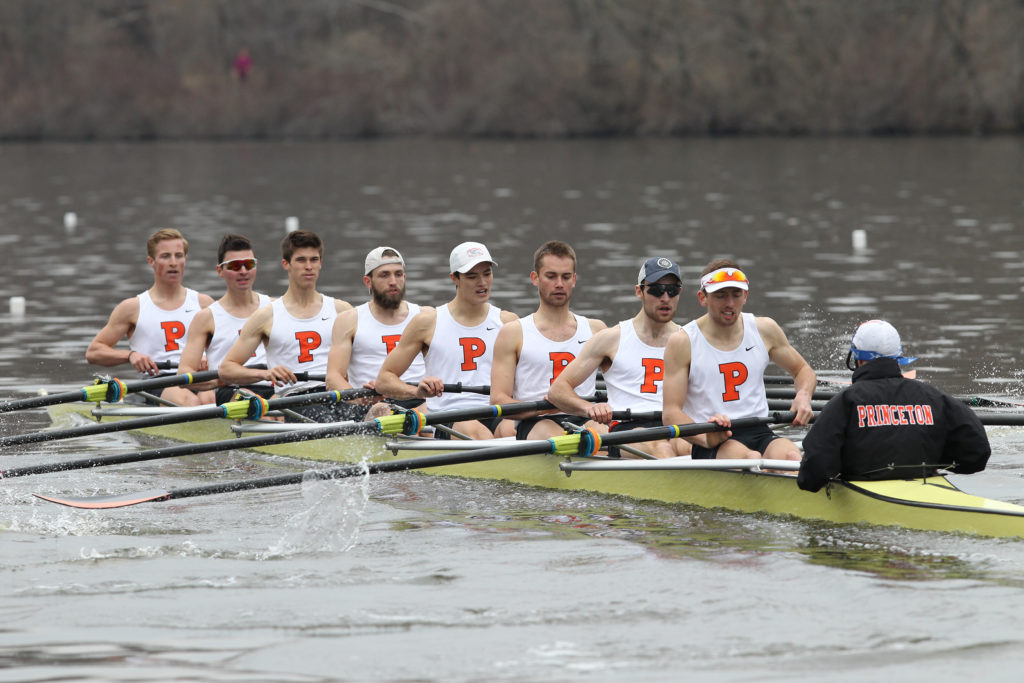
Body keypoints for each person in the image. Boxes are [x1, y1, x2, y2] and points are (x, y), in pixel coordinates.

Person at [798, 320, 990, 491]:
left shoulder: (844, 402)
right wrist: (928, 460)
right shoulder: (935, 397)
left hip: (864, 495)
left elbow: (812, 476)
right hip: (927, 486)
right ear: (898, 358)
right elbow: (977, 454)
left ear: (858, 359)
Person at [661, 259, 815, 461]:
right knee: (750, 460)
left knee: (792, 457)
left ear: (746, 296)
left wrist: (803, 395)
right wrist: (706, 438)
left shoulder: (765, 330)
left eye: (736, 294)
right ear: (702, 298)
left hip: (759, 431)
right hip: (713, 435)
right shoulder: (683, 341)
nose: (730, 304)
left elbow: (802, 370)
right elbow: (671, 413)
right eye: (720, 295)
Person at [548, 257, 690, 458]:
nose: (665, 297)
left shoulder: (691, 339)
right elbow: (557, 391)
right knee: (662, 449)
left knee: (692, 448)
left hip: (678, 426)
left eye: (672, 290)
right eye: (657, 290)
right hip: (628, 429)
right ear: (639, 291)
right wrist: (590, 408)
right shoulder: (611, 339)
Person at [376, 241, 518, 439]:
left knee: (514, 430)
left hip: (495, 413)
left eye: (487, 273)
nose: (482, 283)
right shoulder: (428, 322)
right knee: (476, 432)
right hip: (447, 417)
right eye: (472, 276)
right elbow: (384, 379)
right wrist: (417, 392)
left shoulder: (508, 322)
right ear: (455, 278)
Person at [219, 230, 352, 420]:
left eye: (314, 260)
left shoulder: (341, 310)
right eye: (301, 260)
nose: (308, 267)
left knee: (377, 412)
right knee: (328, 420)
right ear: (286, 264)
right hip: (294, 400)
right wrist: (265, 374)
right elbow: (226, 369)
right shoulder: (267, 316)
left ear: (321, 263)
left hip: (339, 396)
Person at [490, 240, 607, 440]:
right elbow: (498, 401)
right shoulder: (514, 333)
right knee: (556, 435)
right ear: (535, 278)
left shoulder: (597, 330)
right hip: (536, 421)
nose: (559, 284)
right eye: (551, 276)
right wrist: (550, 408)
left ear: (575, 280)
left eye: (566, 277)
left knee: (603, 432)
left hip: (584, 418)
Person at [86, 228, 214, 406]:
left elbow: (230, 347)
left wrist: (210, 358)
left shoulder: (204, 303)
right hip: (157, 382)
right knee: (189, 401)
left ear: (186, 260)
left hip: (199, 378)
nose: (173, 263)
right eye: (165, 256)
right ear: (151, 262)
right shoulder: (133, 307)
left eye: (179, 256)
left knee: (209, 398)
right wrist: (130, 355)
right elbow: (94, 352)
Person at [324, 246, 426, 419]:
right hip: (372, 404)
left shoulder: (425, 316)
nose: (393, 281)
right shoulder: (349, 320)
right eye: (384, 275)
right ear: (368, 281)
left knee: (425, 412)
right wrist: (359, 397)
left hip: (418, 398)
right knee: (384, 410)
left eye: (398, 274)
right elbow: (333, 378)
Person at [177, 234, 273, 404]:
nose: (243, 271)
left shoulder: (275, 308)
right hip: (231, 390)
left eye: (248, 264)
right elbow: (184, 372)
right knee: (247, 396)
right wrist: (217, 381)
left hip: (276, 388)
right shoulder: (206, 318)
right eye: (235, 266)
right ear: (220, 271)